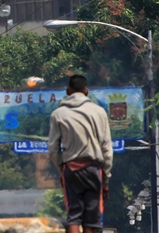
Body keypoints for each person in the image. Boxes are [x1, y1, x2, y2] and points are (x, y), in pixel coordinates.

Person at [47, 75, 113, 233]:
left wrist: (61, 169)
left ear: (68, 91)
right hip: (93, 168)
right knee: (92, 217)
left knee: (74, 215)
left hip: (71, 168)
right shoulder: (99, 112)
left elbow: (53, 148)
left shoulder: (58, 114)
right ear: (86, 91)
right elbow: (106, 147)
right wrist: (106, 177)